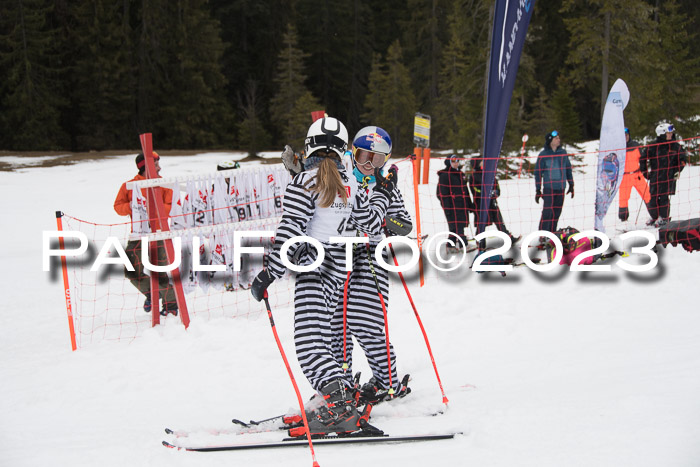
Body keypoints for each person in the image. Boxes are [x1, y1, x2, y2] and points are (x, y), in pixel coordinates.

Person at [249, 117, 395, 436]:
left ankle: (339, 407)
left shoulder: (304, 182)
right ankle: (336, 401)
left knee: (309, 344)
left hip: (315, 268)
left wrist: (268, 274)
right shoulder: (350, 182)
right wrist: (384, 195)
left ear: (309, 146)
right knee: (325, 340)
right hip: (339, 267)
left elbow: (290, 232)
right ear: (343, 150)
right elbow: (370, 224)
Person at [329, 126, 412, 406]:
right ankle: (341, 380)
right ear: (353, 153)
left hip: (370, 257)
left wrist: (383, 207)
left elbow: (405, 225)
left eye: (376, 160)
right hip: (336, 255)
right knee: (334, 322)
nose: (367, 164)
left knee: (366, 321)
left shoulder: (384, 186)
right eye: (364, 156)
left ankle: (387, 382)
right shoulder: (340, 179)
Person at [113, 152, 178, 316]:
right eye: (156, 164)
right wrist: (133, 206)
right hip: (138, 235)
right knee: (130, 269)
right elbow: (118, 206)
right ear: (146, 166)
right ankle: (152, 293)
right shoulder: (130, 185)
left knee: (160, 272)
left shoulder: (164, 184)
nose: (160, 167)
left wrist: (151, 207)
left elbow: (170, 207)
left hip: (159, 234)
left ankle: (171, 306)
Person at [640, 122, 687, 227]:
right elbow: (643, 158)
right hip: (655, 176)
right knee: (652, 198)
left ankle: (664, 218)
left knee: (664, 198)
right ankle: (655, 216)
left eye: (671, 133)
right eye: (668, 133)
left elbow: (683, 160)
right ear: (661, 134)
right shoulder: (653, 146)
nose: (670, 135)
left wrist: (677, 170)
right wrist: (645, 172)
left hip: (668, 176)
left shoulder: (675, 146)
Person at [468, 155, 520, 244]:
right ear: (476, 163)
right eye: (481, 161)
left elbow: (496, 185)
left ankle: (509, 238)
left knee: (499, 221)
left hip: (492, 202)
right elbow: (475, 189)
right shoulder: (473, 176)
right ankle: (481, 242)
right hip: (480, 204)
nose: (483, 162)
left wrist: (496, 192)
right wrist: (486, 193)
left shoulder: (489, 173)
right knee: (482, 224)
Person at [534, 130, 574, 235]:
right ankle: (542, 234)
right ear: (550, 141)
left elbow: (568, 168)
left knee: (556, 212)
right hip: (549, 188)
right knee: (547, 212)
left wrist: (571, 184)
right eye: (556, 138)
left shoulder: (563, 153)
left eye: (559, 138)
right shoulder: (543, 155)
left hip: (561, 187)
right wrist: (538, 189)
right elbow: (538, 173)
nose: (559, 140)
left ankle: (552, 234)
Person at [436, 155, 474, 251]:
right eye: (453, 161)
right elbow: (441, 193)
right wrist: (447, 207)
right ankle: (463, 245)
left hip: (462, 205)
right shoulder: (444, 175)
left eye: (457, 160)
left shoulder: (460, 174)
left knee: (454, 227)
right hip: (452, 206)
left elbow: (465, 190)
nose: (456, 163)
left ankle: (450, 246)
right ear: (449, 162)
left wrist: (469, 204)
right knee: (458, 225)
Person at [618, 127, 651, 221]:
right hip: (624, 177)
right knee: (623, 199)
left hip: (637, 175)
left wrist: (645, 171)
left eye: (627, 135)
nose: (625, 137)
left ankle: (654, 214)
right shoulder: (617, 148)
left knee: (647, 194)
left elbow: (643, 159)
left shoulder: (635, 145)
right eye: (623, 136)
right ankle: (623, 219)